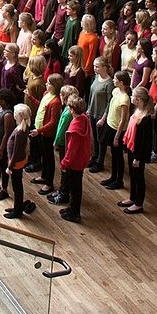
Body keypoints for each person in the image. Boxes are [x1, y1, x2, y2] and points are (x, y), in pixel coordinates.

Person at [119, 85, 153, 214]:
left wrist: (138, 158)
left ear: (138, 99)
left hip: (138, 153)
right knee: (132, 176)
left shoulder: (146, 118)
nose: (131, 97)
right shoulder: (137, 110)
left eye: (133, 96)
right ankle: (132, 198)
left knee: (139, 178)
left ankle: (139, 204)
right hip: (132, 149)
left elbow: (145, 142)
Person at [59, 95, 92, 223]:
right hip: (82, 158)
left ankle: (74, 212)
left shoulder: (75, 128)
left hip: (75, 162)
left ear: (72, 110)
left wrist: (64, 163)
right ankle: (72, 208)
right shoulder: (84, 118)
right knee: (75, 186)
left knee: (75, 187)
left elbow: (71, 150)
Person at [4, 103, 32, 219]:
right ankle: (17, 206)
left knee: (17, 187)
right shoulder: (22, 127)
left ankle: (18, 210)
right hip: (17, 162)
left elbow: (15, 152)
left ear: (20, 115)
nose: (14, 116)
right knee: (17, 186)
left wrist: (10, 166)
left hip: (16, 163)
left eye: (16, 114)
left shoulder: (20, 132)